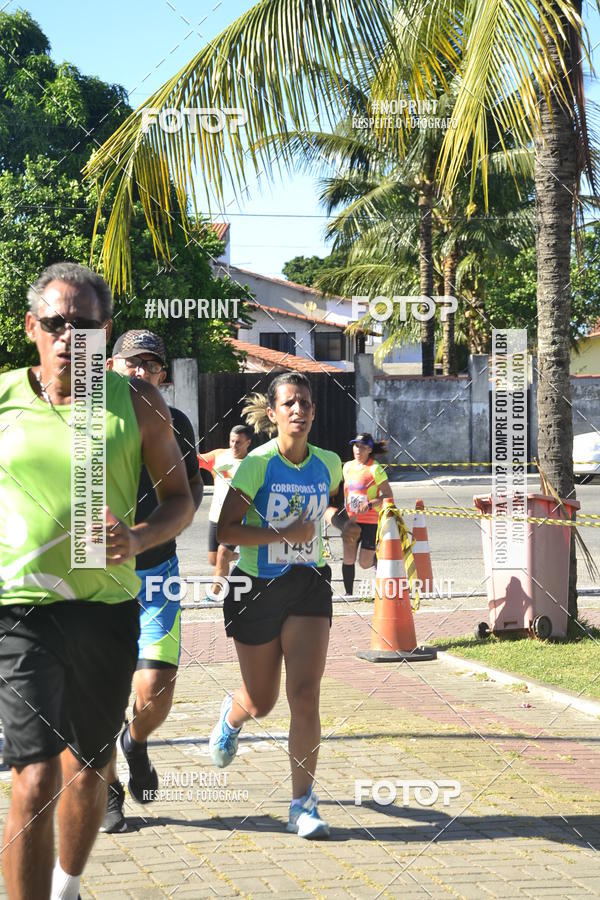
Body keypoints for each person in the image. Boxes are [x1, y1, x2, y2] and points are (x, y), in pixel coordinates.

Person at [0, 264, 195, 900]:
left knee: (88, 768)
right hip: (20, 611)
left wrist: (137, 539)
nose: (66, 336)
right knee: (32, 775)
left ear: (102, 333)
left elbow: (179, 498)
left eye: (82, 325)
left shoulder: (136, 402)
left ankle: (68, 884)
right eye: (54, 323)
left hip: (106, 608)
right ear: (31, 327)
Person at [208, 372, 359, 839]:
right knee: (262, 700)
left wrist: (343, 523)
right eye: (290, 403)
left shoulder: (330, 462)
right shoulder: (255, 464)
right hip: (255, 587)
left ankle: (302, 804)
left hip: (309, 583)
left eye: (306, 404)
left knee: (305, 695)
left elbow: (330, 506)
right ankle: (232, 718)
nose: (300, 410)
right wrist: (281, 535)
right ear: (272, 414)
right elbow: (225, 532)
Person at [101, 330, 204, 833]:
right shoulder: (90, 422)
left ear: (164, 375)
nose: (142, 372)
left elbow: (191, 493)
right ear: (111, 366)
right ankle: (106, 790)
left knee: (157, 686)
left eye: (152, 365)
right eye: (132, 363)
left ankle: (135, 742)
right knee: (97, 693)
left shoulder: (175, 421)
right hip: (96, 580)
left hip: (157, 573)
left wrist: (149, 534)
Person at [197, 425, 252, 596]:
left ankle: (214, 595)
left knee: (222, 555)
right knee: (214, 559)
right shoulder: (219, 456)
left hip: (236, 519)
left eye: (238, 443)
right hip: (216, 516)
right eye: (232, 441)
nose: (234, 446)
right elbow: (194, 460)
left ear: (248, 443)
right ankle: (238, 557)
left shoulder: (253, 464)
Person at [341, 433, 394, 596]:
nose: (358, 449)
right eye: (356, 446)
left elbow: (388, 495)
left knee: (364, 563)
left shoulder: (375, 469)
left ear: (369, 449)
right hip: (352, 521)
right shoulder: (347, 467)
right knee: (348, 558)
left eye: (362, 447)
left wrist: (370, 504)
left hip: (371, 521)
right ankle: (349, 595)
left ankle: (379, 562)